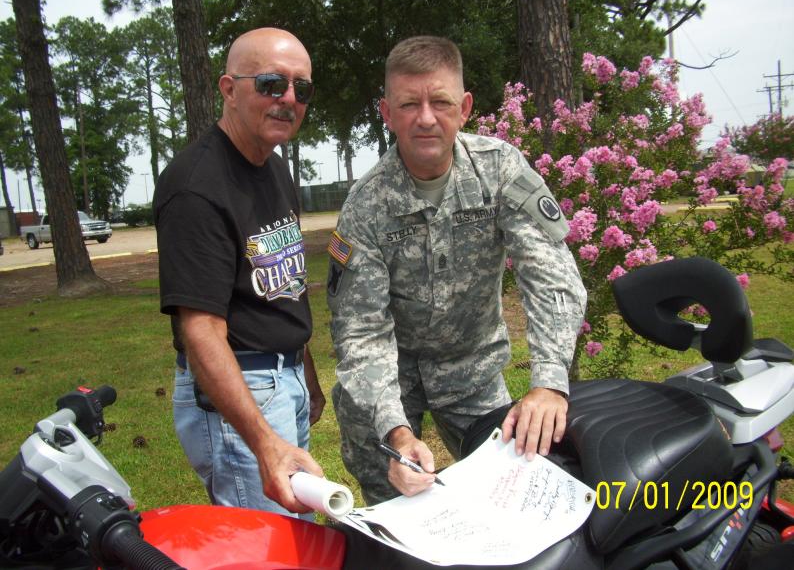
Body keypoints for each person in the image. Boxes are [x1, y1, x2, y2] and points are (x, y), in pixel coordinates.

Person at [326, 36, 586, 504]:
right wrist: (396, 430)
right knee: (391, 507)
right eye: (409, 104)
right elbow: (361, 333)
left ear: (464, 107)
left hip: (472, 370)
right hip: (389, 382)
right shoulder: (365, 207)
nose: (426, 117)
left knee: (510, 492)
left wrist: (549, 382)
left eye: (440, 101)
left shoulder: (501, 168)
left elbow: (551, 275)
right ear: (387, 113)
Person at [153, 27, 325, 518]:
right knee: (267, 544)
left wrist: (304, 373)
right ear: (229, 89)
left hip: (281, 376)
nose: (288, 99)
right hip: (242, 392)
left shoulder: (272, 165)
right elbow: (201, 330)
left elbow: (281, 286)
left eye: (301, 88)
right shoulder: (195, 187)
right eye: (271, 84)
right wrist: (264, 444)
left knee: (296, 531)